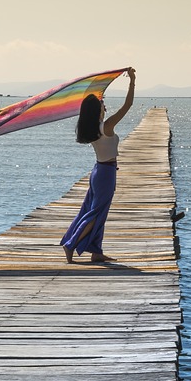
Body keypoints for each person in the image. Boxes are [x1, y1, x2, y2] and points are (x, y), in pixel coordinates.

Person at [62, 67, 136, 263]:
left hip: (100, 171)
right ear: (98, 110)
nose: (106, 107)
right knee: (95, 213)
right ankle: (71, 244)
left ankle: (96, 251)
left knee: (95, 210)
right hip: (105, 173)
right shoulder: (106, 127)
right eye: (103, 104)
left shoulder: (93, 128)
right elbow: (127, 105)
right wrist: (132, 81)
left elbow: (92, 103)